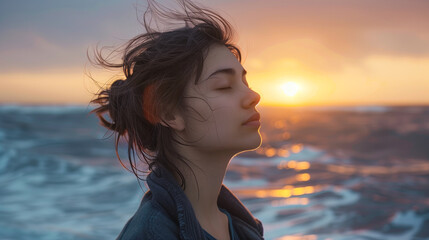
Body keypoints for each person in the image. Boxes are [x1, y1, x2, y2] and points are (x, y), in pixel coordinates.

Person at [89, 0, 264, 239]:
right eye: (224, 87)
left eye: (245, 83)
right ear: (169, 113)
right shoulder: (151, 234)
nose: (253, 96)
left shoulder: (242, 227)